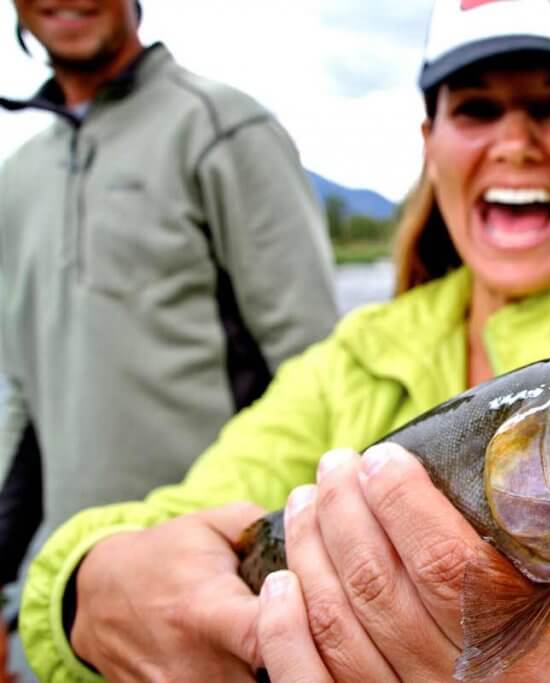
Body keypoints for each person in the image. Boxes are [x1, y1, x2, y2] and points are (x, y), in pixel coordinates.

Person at [19, 1, 550, 681]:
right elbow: (178, 516)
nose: (515, 142)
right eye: (475, 107)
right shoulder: (351, 354)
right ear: (430, 141)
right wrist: (81, 590)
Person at [0, 0, 339, 672]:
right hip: (66, 609)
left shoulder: (223, 129)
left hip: (218, 609)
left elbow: (321, 376)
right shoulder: (17, 179)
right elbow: (22, 399)